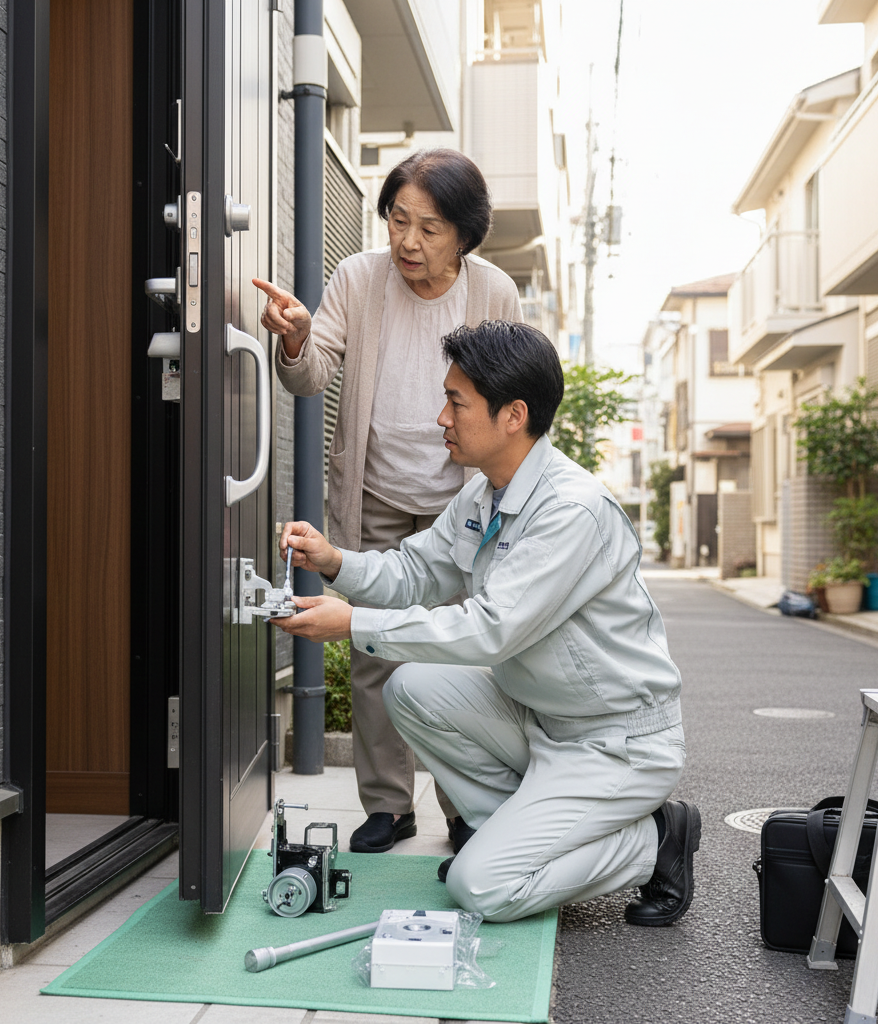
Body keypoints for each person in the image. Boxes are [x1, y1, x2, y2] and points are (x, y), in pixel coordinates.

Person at [271, 320, 701, 925]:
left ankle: (654, 842)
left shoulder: (571, 510)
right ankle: (509, 836)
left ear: (513, 415)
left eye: (456, 402)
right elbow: (413, 572)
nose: (441, 418)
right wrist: (333, 560)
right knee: (411, 687)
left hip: (615, 743)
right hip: (542, 720)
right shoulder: (483, 496)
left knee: (480, 888)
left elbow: (490, 629)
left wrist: (352, 624)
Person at [254, 149, 522, 857]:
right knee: (373, 649)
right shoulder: (358, 278)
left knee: (459, 656)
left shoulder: (494, 293)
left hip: (463, 503)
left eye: (429, 228)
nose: (408, 241)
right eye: (398, 220)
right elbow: (309, 376)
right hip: (374, 493)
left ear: (464, 235)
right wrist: (298, 337)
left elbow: (517, 396)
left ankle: (464, 807)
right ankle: (387, 805)